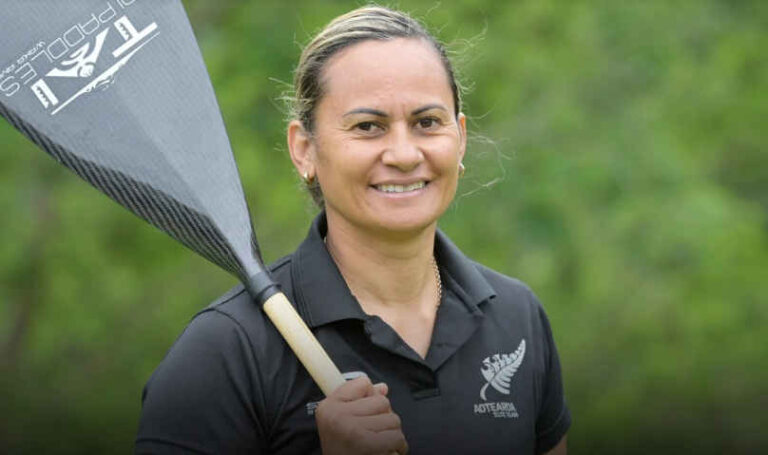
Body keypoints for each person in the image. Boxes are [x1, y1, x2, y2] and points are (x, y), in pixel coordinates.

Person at [136, 5, 570, 454]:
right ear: (304, 150)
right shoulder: (224, 352)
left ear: (459, 137)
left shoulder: (517, 318)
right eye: (368, 126)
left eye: (427, 123)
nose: (403, 153)